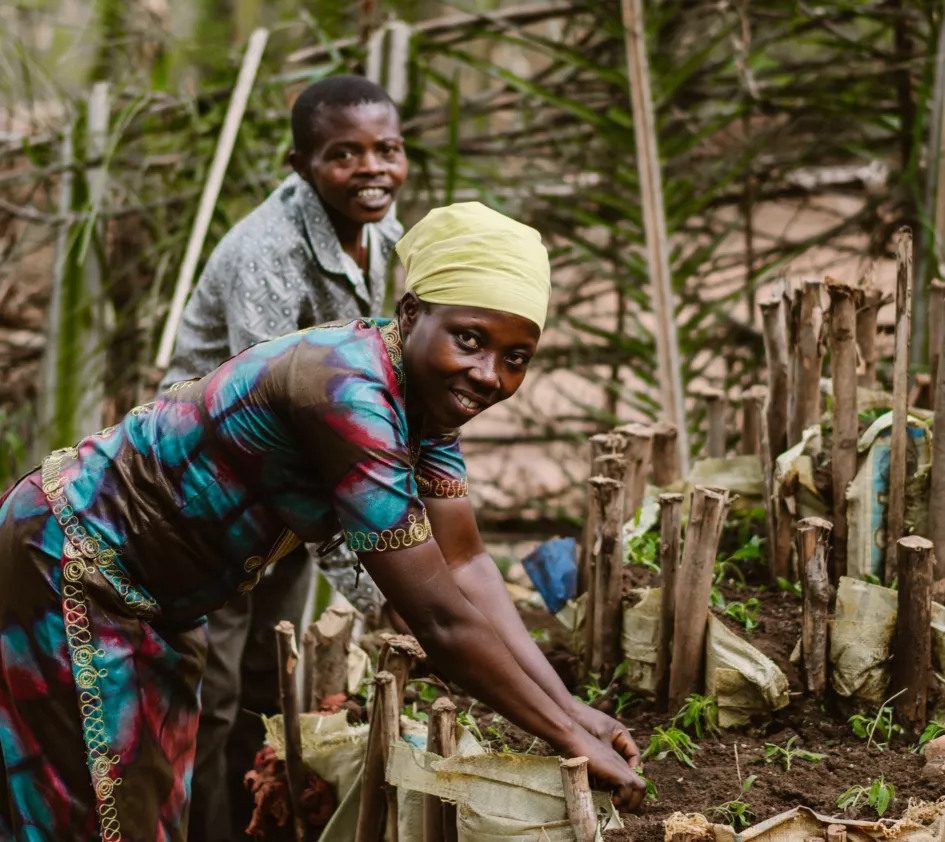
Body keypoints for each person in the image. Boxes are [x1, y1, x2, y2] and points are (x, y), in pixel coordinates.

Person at [0, 202, 645, 842]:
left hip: (157, 599)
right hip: (74, 561)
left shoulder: (427, 405)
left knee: (141, 806)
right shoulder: (345, 390)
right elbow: (441, 621)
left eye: (516, 356)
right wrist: (566, 738)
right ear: (414, 313)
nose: (489, 374)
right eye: (471, 339)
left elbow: (466, 565)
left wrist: (571, 709)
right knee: (96, 815)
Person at [158, 74, 408, 840]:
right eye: (344, 154)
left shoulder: (387, 234)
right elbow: (266, 425)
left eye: (387, 149)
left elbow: (369, 386)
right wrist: (379, 589)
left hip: (298, 486)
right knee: (215, 692)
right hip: (214, 489)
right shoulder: (264, 253)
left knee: (271, 683)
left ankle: (255, 824)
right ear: (299, 164)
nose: (372, 168)